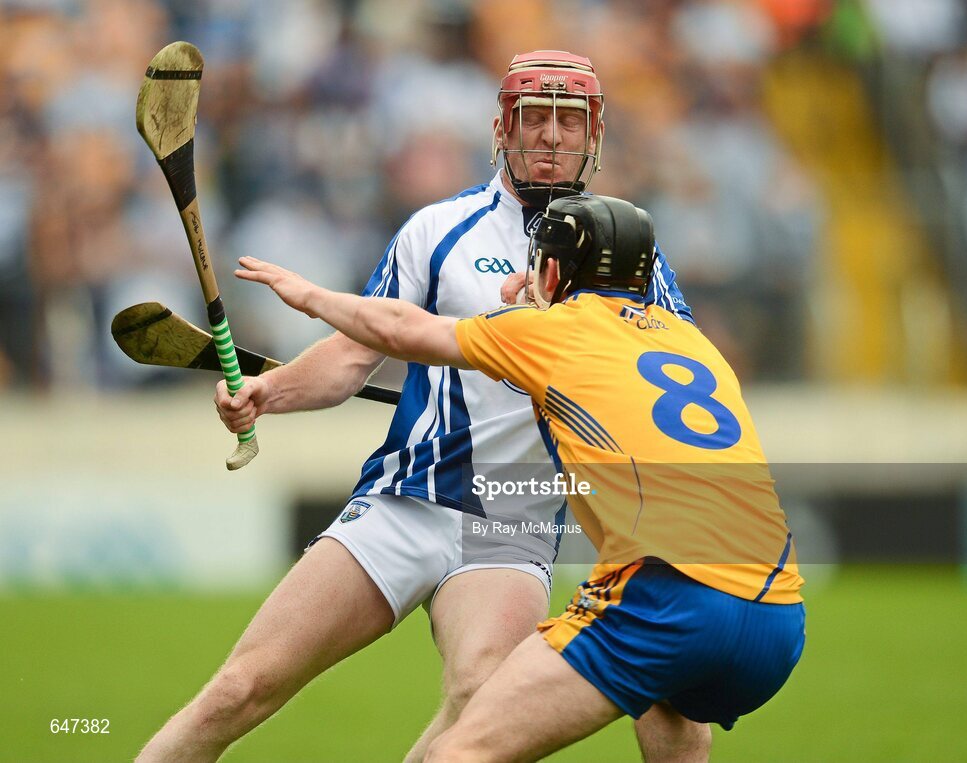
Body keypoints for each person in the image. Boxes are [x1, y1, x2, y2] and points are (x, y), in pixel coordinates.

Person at [137, 52, 696, 762]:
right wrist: (266, 393)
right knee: (242, 687)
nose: (552, 136)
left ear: (596, 133)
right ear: (502, 128)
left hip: (512, 523)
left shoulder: (630, 254)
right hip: (408, 501)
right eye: (535, 117)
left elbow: (674, 371)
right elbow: (349, 357)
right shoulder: (439, 231)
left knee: (481, 698)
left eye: (569, 119)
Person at [229, 193, 806, 762]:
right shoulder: (695, 344)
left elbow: (404, 328)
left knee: (459, 754)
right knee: (673, 717)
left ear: (553, 270)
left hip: (668, 594)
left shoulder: (554, 329)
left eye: (534, 264)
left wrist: (309, 296)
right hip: (778, 617)